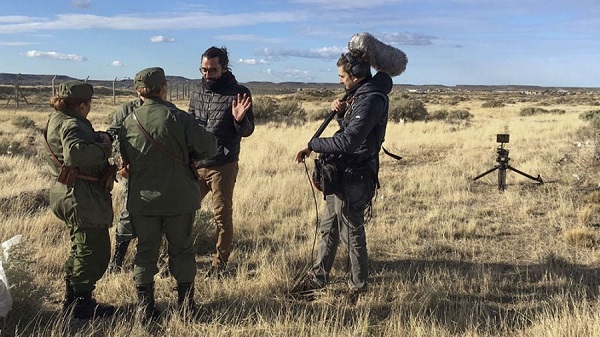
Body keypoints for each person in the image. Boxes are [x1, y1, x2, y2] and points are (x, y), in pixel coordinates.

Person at [119, 67, 217, 320]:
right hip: (179, 198)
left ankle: (145, 309)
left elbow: (124, 160)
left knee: (145, 252)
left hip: (143, 200)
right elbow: (208, 146)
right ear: (163, 88)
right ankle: (185, 308)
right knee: (182, 250)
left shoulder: (129, 121)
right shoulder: (178, 117)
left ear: (139, 91)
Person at [294, 49, 392, 303]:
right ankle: (319, 277)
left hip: (355, 176)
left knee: (352, 232)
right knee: (328, 228)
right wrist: (340, 114)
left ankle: (358, 287)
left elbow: (349, 141)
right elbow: (350, 131)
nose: (340, 80)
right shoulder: (359, 96)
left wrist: (314, 145)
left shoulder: (371, 100)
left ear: (356, 75)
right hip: (341, 173)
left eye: (342, 75)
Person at [44, 80, 116, 319]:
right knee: (93, 251)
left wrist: (96, 137)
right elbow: (75, 153)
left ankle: (73, 299)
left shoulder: (58, 118)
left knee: (79, 247)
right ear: (83, 105)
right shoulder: (72, 123)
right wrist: (104, 148)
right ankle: (81, 304)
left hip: (68, 192)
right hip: (80, 196)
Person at [188, 46, 254, 278]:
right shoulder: (196, 92)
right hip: (197, 164)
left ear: (224, 68)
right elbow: (190, 125)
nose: (207, 75)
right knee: (183, 209)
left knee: (221, 216)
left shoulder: (239, 92)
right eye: (204, 70)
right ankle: (179, 257)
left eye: (213, 70)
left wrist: (239, 119)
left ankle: (219, 265)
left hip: (223, 164)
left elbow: (247, 131)